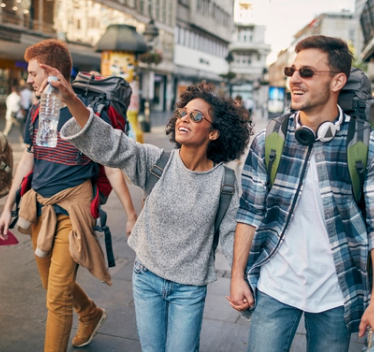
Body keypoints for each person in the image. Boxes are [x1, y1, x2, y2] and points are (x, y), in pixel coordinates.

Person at [38, 69, 252, 352]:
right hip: (146, 277)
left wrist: (242, 282)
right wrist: (71, 99)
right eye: (183, 112)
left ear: (214, 132)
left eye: (197, 116)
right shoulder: (156, 161)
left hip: (189, 289)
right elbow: (109, 143)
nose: (185, 118)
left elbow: (232, 237)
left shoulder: (225, 183)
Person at [228, 35, 374, 352]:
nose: (294, 78)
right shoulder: (269, 141)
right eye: (292, 71)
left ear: (338, 80)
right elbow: (249, 213)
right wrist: (237, 275)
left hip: (338, 292)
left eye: (306, 72)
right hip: (275, 286)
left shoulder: (365, 145)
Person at [0, 39, 138, 352]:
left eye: (34, 73)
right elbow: (29, 158)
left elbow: (112, 167)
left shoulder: (85, 116)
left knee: (56, 301)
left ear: (51, 72)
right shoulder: (36, 111)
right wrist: (7, 208)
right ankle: (90, 314)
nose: (29, 79)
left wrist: (131, 214)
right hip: (38, 208)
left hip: (73, 213)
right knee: (53, 285)